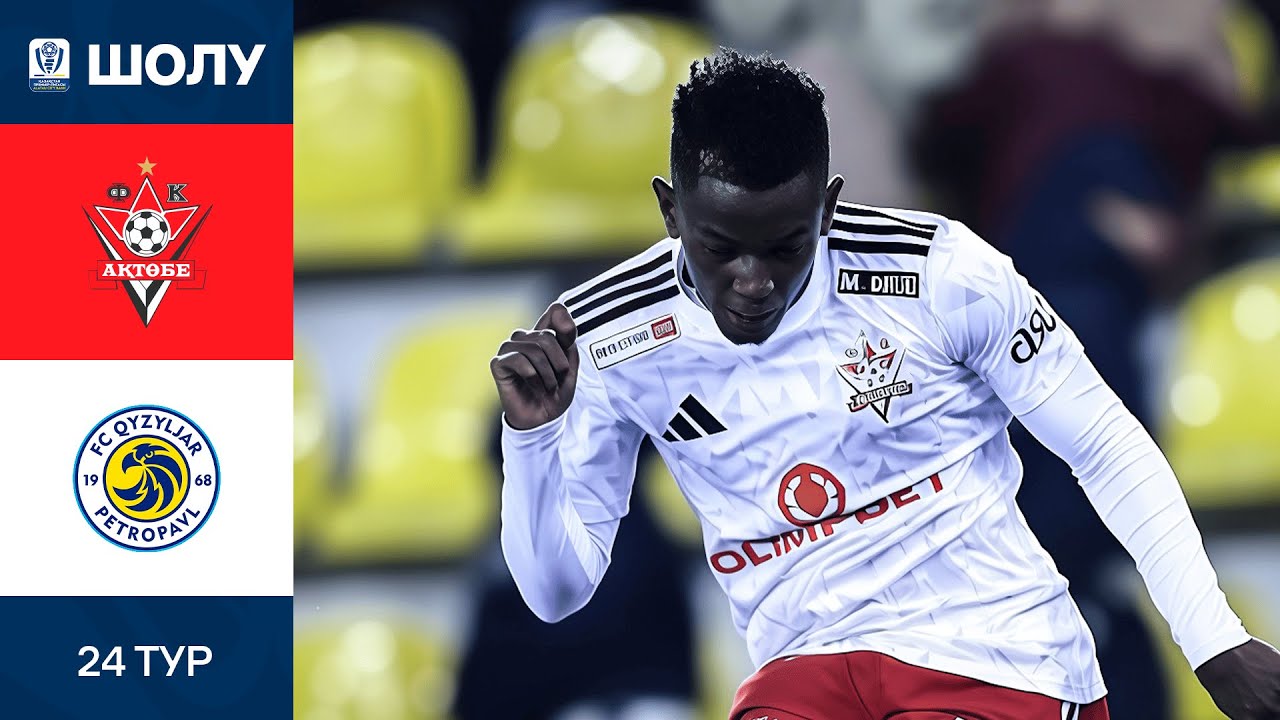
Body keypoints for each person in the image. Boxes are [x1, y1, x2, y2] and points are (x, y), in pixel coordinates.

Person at [489, 49, 1280, 720]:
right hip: (804, 676)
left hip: (995, 657)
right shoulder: (607, 336)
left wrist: (1212, 639)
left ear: (828, 208)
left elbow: (1105, 444)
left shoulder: (942, 273)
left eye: (786, 246)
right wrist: (531, 440)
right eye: (721, 248)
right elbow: (558, 593)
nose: (753, 282)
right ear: (671, 212)